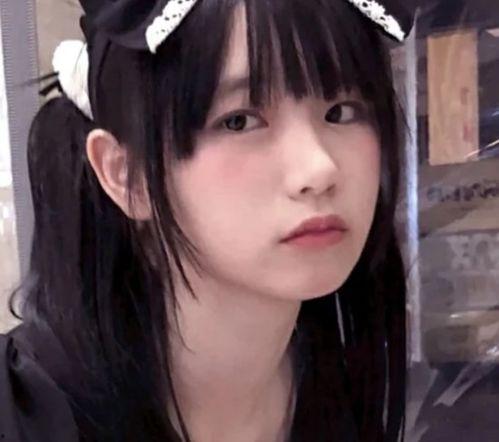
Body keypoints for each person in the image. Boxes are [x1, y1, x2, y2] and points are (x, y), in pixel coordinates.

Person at [0, 0, 414, 440]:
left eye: (342, 112)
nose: (319, 169)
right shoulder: (21, 418)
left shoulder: (345, 381)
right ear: (127, 175)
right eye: (240, 121)